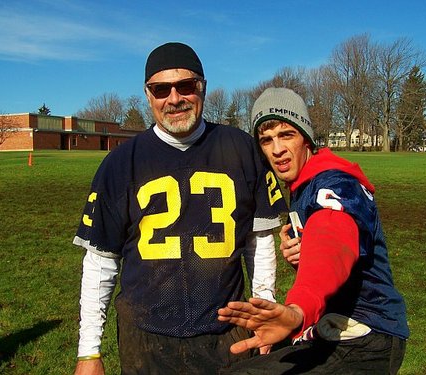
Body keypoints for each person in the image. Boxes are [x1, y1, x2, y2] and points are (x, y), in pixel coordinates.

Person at [73, 43, 287, 375]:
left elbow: (258, 243)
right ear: (148, 95)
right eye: (162, 89)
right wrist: (89, 352)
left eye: (186, 86)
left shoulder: (241, 149)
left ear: (203, 88)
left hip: (226, 332)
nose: (175, 98)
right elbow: (100, 263)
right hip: (146, 336)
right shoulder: (120, 164)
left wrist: (263, 308)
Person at [218, 87, 409, 374]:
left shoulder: (335, 182)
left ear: (306, 138)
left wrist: (297, 310)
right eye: (266, 140)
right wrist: (302, 255)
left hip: (368, 334)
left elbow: (333, 238)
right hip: (333, 326)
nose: (277, 149)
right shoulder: (304, 185)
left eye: (286, 135)